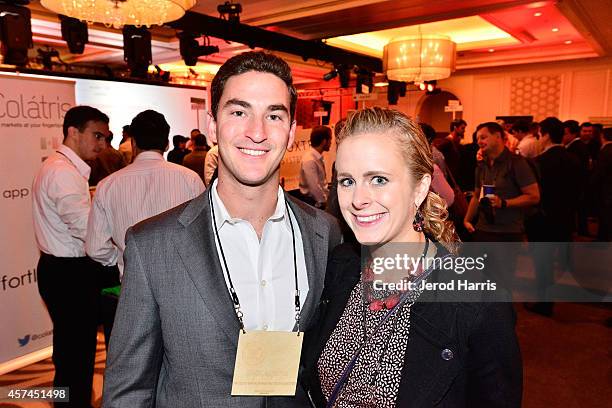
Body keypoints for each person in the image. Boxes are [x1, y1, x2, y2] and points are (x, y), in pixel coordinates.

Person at [102, 51, 342, 407]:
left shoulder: (325, 233)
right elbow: (128, 391)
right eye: (239, 112)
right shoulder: (153, 245)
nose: (257, 132)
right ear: (213, 125)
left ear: (291, 132)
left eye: (273, 115)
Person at [302, 107, 522, 407]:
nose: (357, 199)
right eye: (347, 181)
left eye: (378, 179)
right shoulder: (342, 265)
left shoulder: (477, 302)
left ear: (419, 187)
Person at [32, 105, 110, 408]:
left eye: (106, 137)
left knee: (70, 350)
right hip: (70, 273)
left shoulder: (59, 167)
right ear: (72, 132)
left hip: (61, 270)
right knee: (77, 353)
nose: (102, 144)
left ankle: (67, 401)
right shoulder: (63, 173)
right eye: (97, 135)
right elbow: (86, 230)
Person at [464, 122, 539, 290]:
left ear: (498, 137)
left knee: (502, 283)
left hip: (507, 232)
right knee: (481, 281)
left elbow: (534, 196)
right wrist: (467, 219)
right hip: (483, 230)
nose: (480, 141)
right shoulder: (482, 166)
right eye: (478, 139)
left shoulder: (516, 163)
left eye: (483, 137)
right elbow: (477, 195)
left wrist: (504, 203)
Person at [526, 117, 580, 317]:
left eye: (539, 135)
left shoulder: (539, 162)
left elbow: (536, 194)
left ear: (545, 135)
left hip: (542, 219)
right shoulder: (573, 158)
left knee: (542, 263)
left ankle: (544, 302)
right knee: (555, 261)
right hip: (564, 216)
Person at [299, 125, 332, 208]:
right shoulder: (310, 160)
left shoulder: (316, 157)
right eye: (330, 139)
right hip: (313, 204)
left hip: (318, 202)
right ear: (324, 141)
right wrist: (325, 203)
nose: (331, 142)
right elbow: (314, 187)